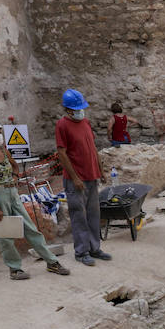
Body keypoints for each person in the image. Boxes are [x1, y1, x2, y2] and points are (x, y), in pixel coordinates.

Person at [0, 117, 69, 281]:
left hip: (12, 193)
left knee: (31, 229)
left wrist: (15, 177)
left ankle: (51, 261)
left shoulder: (4, 151)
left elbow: (15, 165)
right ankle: (15, 269)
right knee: (5, 235)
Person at [54, 88, 112, 267]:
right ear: (68, 110)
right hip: (75, 179)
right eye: (77, 109)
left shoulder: (85, 122)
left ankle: (95, 247)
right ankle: (81, 251)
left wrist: (100, 170)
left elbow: (93, 148)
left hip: (91, 175)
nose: (80, 111)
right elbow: (62, 153)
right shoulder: (62, 125)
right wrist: (75, 178)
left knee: (94, 214)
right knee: (79, 215)